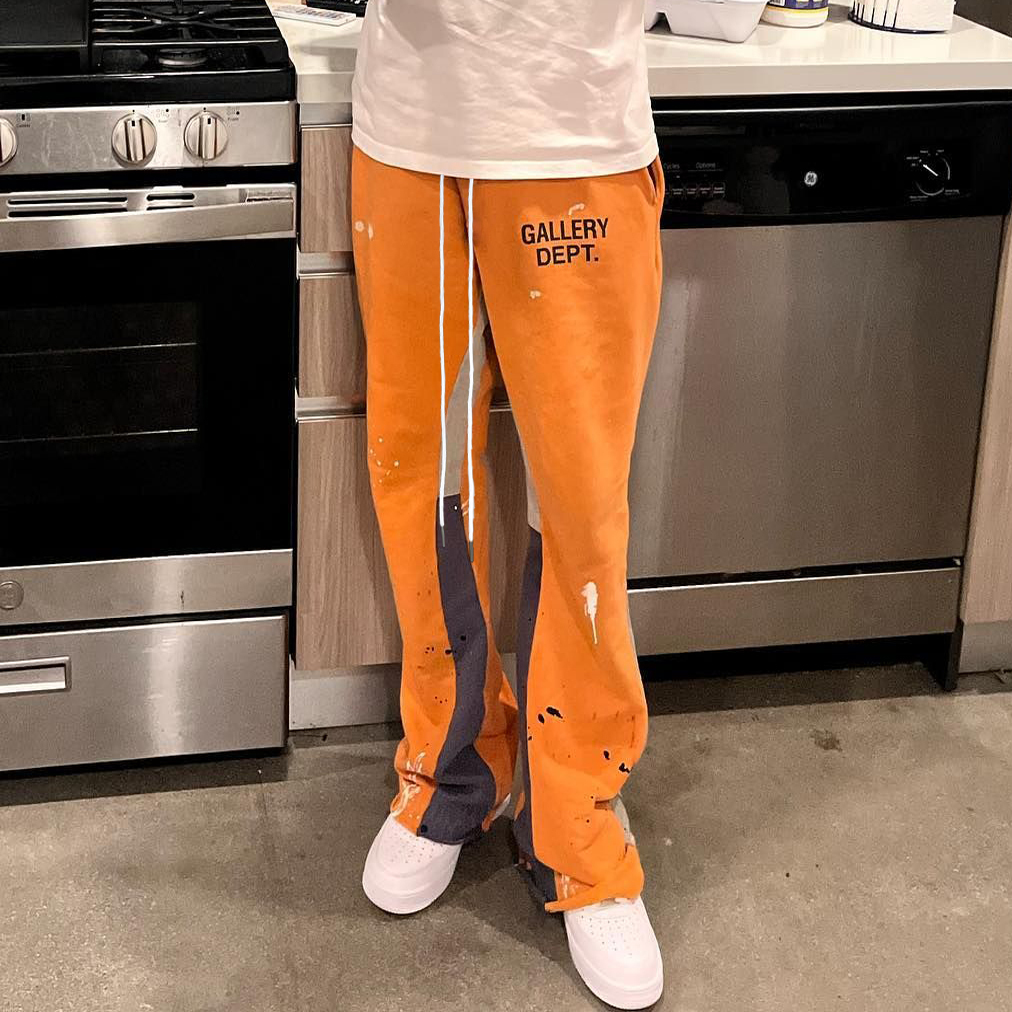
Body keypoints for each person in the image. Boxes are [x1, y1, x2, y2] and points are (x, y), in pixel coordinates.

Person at [350, 2, 664, 1007]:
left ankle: (577, 820)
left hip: (574, 132)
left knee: (581, 503)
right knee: (423, 479)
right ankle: (448, 775)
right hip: (410, 134)